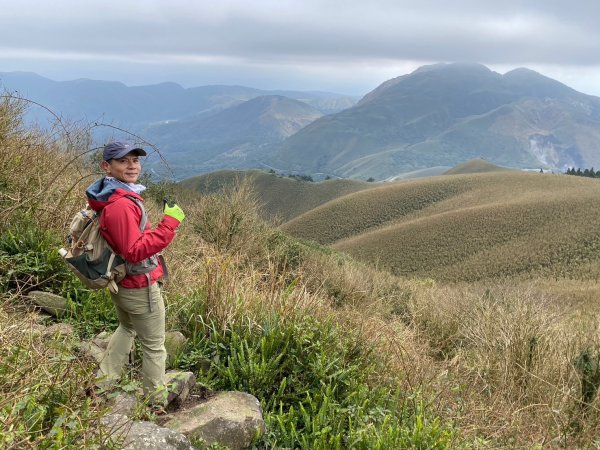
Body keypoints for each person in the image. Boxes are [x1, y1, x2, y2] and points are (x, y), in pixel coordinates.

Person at [85, 141, 185, 407]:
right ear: (107, 166)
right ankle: (155, 402)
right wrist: (169, 224)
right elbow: (133, 251)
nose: (132, 166)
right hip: (138, 284)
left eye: (135, 160)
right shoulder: (121, 205)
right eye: (123, 161)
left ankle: (103, 383)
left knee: (127, 326)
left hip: (124, 282)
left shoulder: (113, 195)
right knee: (154, 346)